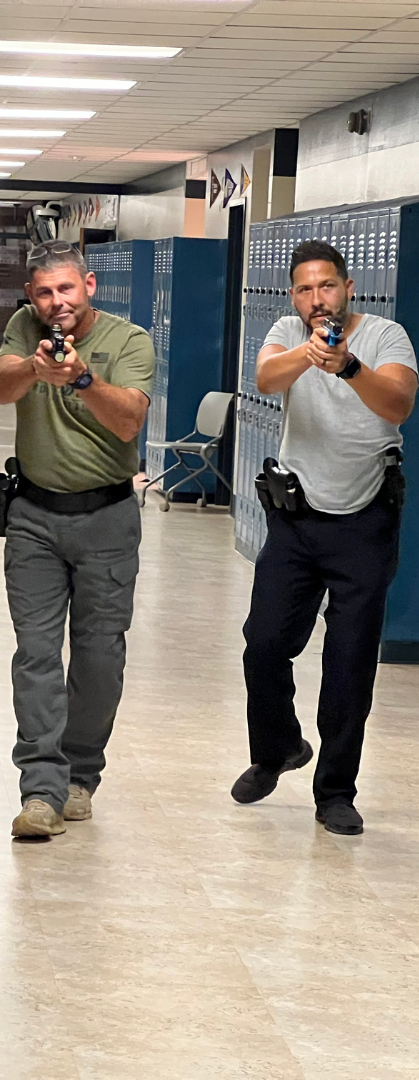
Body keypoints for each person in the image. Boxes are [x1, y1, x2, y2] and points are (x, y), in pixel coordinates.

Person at [231, 240, 417, 835]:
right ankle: (277, 747)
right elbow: (264, 377)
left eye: (327, 287)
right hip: (297, 517)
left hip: (365, 522)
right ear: (293, 296)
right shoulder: (287, 330)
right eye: (306, 289)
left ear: (348, 288)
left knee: (349, 661)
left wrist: (350, 367)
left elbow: (399, 402)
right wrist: (310, 357)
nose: (318, 299)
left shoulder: (386, 335)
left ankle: (335, 790)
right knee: (263, 643)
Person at [0, 240, 154, 839]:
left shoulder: (129, 340)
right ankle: (40, 789)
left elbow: (128, 420)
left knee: (98, 655)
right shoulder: (21, 328)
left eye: (65, 289)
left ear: (89, 285)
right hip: (33, 515)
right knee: (35, 653)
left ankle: (82, 773)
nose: (54, 302)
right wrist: (36, 367)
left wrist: (81, 377)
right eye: (42, 292)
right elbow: (1, 388)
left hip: (107, 519)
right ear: (30, 296)